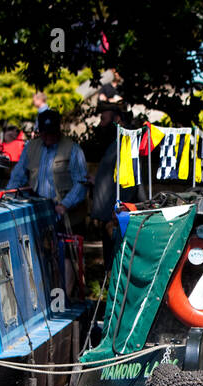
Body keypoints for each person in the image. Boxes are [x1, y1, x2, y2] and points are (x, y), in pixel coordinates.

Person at [7, 109, 88, 229]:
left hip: (67, 217)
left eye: (52, 133)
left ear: (58, 130)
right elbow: (18, 176)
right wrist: (8, 197)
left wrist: (64, 205)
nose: (48, 137)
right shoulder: (31, 147)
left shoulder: (73, 149)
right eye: (44, 133)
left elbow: (81, 183)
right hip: (39, 212)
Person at [90, 100, 123, 273]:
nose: (100, 124)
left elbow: (127, 179)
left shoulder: (123, 144)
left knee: (115, 260)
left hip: (116, 214)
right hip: (108, 214)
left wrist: (120, 207)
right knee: (109, 260)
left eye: (104, 119)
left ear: (116, 120)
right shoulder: (112, 144)